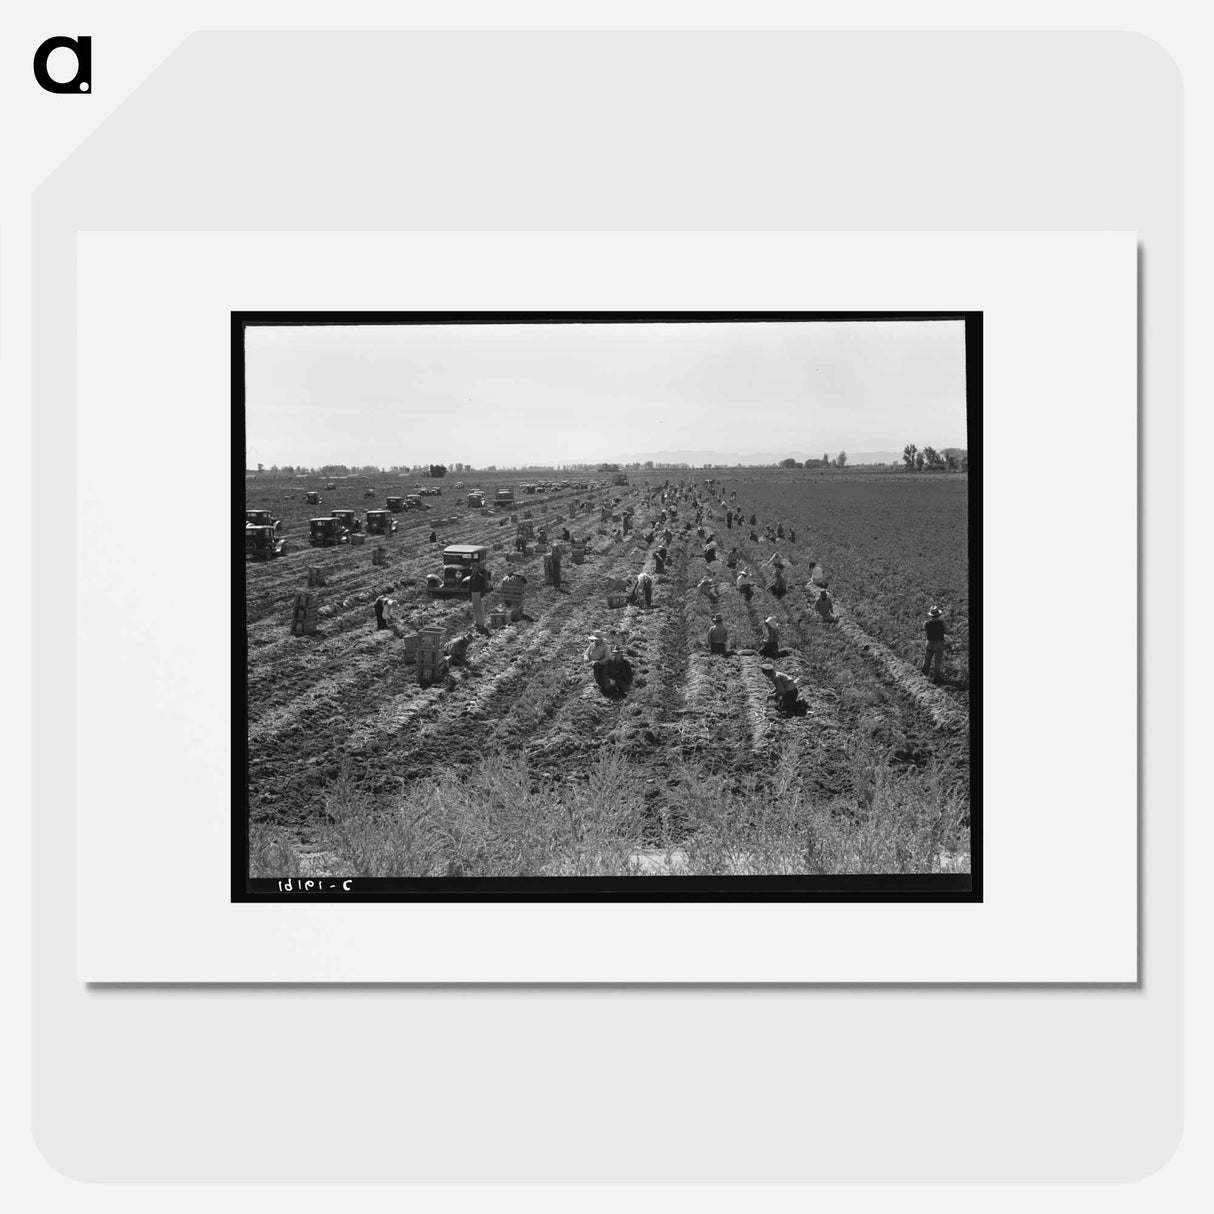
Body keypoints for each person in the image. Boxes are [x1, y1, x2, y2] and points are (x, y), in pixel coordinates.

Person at [922, 605, 947, 680]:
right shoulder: (941, 623)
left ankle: (924, 674)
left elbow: (924, 629)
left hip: (929, 642)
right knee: (937, 661)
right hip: (939, 643)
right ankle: (936, 677)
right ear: (938, 615)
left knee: (927, 659)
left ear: (931, 615)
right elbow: (947, 630)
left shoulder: (926, 623)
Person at [469, 564, 489, 631]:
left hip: (478, 593)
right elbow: (470, 587)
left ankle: (481, 623)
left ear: (476, 568)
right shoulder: (471, 577)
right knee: (475, 608)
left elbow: (482, 587)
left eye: (473, 568)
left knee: (479, 608)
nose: (472, 570)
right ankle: (477, 622)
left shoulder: (480, 577)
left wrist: (482, 594)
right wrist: (469, 596)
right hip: (473, 593)